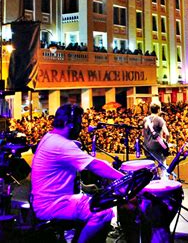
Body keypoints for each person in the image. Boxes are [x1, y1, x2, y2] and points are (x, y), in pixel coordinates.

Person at [31, 104, 124, 243]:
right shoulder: (61, 145)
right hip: (52, 204)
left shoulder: (49, 137)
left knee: (96, 200)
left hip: (45, 200)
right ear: (69, 124)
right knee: (103, 212)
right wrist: (125, 178)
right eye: (79, 124)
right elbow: (95, 165)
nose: (80, 128)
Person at [143, 100, 170, 179]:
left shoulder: (145, 119)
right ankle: (164, 180)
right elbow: (167, 134)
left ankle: (151, 180)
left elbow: (143, 134)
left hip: (147, 147)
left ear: (150, 109)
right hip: (156, 147)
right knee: (162, 163)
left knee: (151, 165)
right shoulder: (160, 119)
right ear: (159, 110)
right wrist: (166, 143)